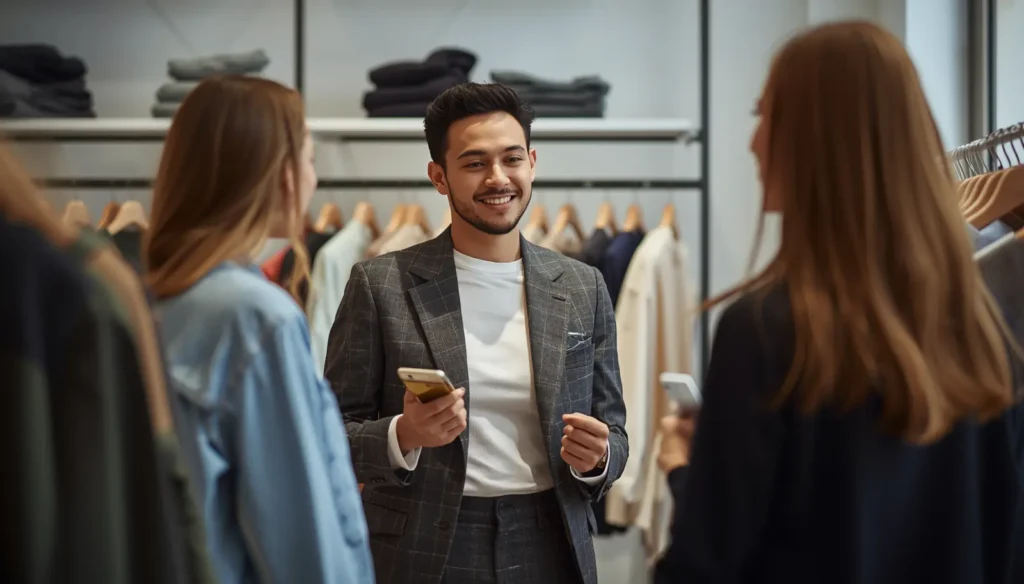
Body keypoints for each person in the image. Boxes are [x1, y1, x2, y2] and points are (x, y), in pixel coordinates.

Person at [653, 21, 1024, 584]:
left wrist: (683, 470)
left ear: (814, 138)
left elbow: (704, 568)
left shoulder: (765, 331)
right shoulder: (982, 326)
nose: (753, 142)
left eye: (763, 115)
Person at [325, 82, 629, 584]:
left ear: (532, 162)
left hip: (551, 538)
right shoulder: (380, 285)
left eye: (512, 159)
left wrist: (598, 459)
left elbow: (614, 430)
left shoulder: (582, 285)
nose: (497, 178)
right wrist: (406, 433)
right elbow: (329, 433)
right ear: (439, 177)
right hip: (424, 543)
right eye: (474, 164)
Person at [144, 75, 374, 584]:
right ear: (280, 173)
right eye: (310, 160)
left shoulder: (153, 299)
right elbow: (302, 537)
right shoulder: (255, 318)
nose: (314, 181)